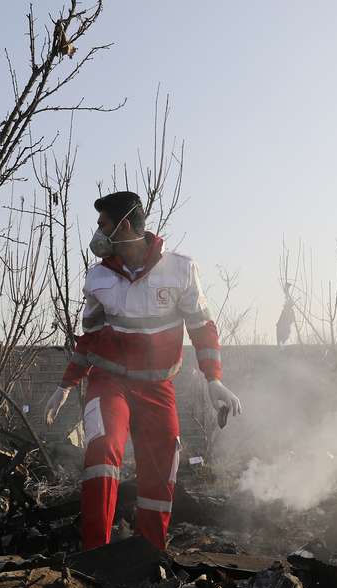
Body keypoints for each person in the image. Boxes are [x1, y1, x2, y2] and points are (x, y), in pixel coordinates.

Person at [44, 191, 242, 551]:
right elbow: (89, 339)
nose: (98, 233)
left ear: (124, 224)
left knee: (164, 461)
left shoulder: (180, 270)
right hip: (109, 383)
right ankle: (96, 555)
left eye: (103, 224)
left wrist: (214, 379)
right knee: (103, 451)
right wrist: (67, 385)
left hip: (157, 386)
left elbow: (202, 327)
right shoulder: (98, 278)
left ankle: (149, 555)